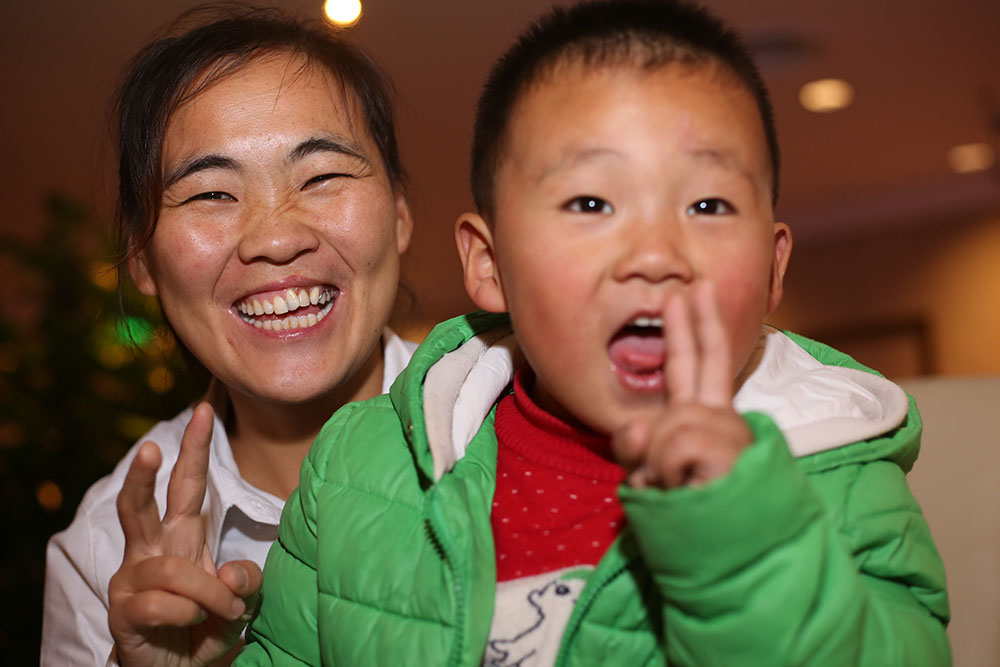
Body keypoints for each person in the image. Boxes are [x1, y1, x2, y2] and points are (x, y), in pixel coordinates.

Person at [238, 0, 950, 664]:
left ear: (771, 266)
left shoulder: (839, 479)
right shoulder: (359, 470)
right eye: (590, 201)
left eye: (707, 203)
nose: (654, 254)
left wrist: (744, 538)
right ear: (489, 266)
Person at [41, 6, 417, 666]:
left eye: (323, 175)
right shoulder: (104, 551)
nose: (275, 237)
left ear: (399, 215)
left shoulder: (524, 428)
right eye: (211, 193)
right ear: (143, 263)